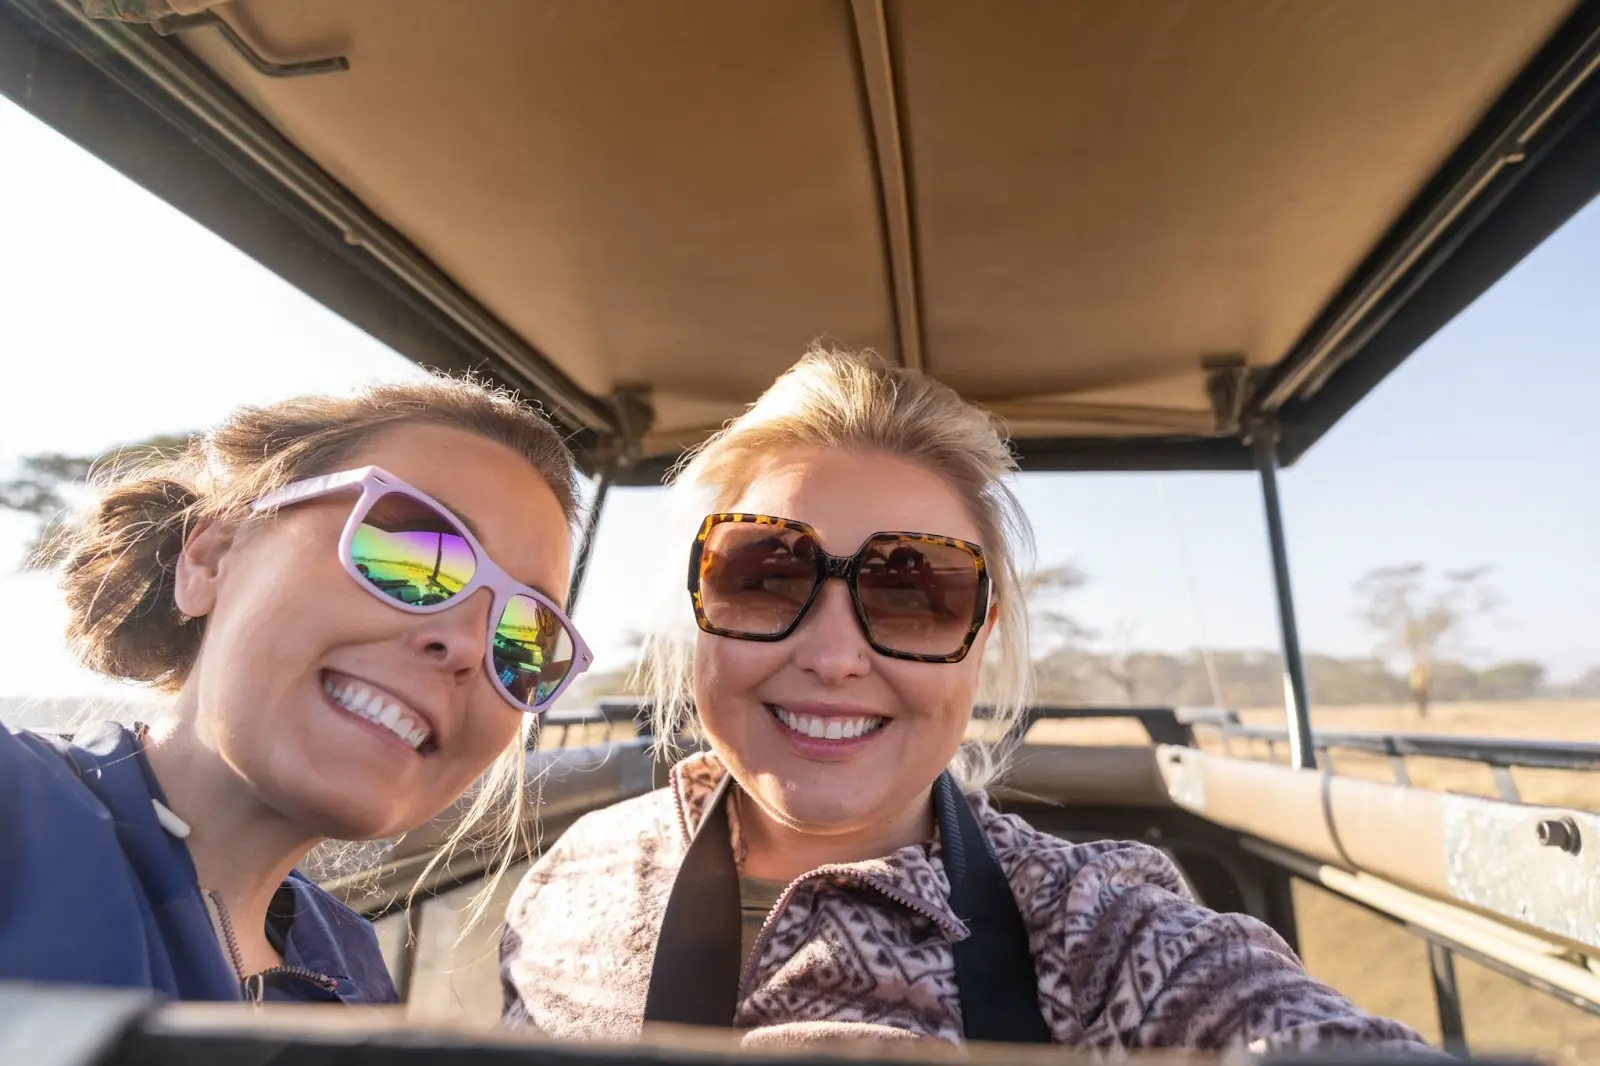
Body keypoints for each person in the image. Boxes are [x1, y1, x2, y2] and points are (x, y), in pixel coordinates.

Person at [499, 348, 1432, 1053]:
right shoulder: (568, 879)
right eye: (765, 575)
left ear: (978, 646)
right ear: (698, 612)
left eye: (916, 595)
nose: (832, 656)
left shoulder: (1094, 931)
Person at [0, 375, 592, 1004]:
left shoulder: (353, 977)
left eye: (528, 635)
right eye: (414, 553)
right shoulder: (18, 813)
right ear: (211, 559)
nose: (471, 646)